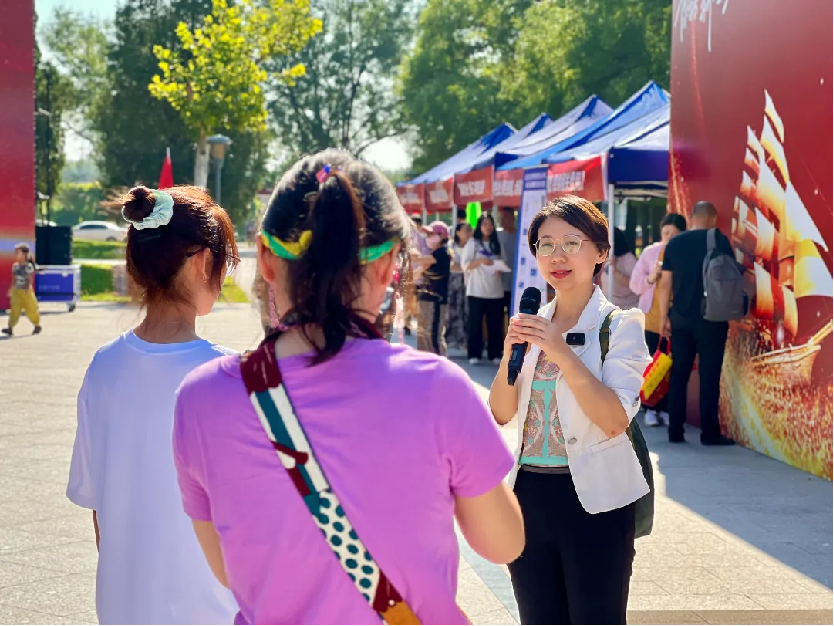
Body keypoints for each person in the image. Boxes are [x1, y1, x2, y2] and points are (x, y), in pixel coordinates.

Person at [172, 150, 524, 625]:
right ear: (389, 265)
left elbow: (228, 570)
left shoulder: (201, 399)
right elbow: (503, 544)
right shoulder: (439, 390)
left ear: (268, 261)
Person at [66, 186, 239, 625]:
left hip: (122, 607)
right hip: (210, 612)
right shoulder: (229, 376)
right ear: (202, 262)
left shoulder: (104, 366)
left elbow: (99, 507)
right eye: (226, 262)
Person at [489, 195, 651, 625]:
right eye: (545, 245)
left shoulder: (621, 325)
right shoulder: (531, 323)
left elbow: (614, 420)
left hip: (595, 500)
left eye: (571, 243)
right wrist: (510, 355)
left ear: (601, 252)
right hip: (529, 495)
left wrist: (559, 351)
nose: (557, 256)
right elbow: (501, 412)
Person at [658, 201, 736, 446]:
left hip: (680, 319)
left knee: (679, 375)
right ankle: (709, 433)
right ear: (713, 219)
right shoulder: (719, 241)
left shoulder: (674, 243)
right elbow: (730, 277)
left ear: (691, 218)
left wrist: (663, 318)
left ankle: (675, 431)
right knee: (709, 376)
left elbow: (665, 283)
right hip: (712, 319)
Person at [629, 213, 688, 427]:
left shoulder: (685, 253)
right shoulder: (650, 252)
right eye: (666, 233)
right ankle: (650, 408)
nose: (669, 238)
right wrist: (651, 277)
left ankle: (666, 408)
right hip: (651, 317)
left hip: (677, 317)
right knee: (652, 363)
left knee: (672, 366)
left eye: (675, 234)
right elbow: (635, 285)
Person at [461, 214, 505, 364]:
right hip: (476, 290)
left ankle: (495, 353)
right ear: (479, 226)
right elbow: (465, 265)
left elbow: (503, 262)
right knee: (475, 324)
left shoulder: (497, 244)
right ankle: (474, 354)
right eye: (485, 224)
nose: (488, 227)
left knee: (495, 324)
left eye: (490, 224)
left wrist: (500, 268)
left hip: (495, 291)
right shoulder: (473, 243)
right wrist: (479, 261)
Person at [415, 220, 452, 355]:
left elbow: (423, 261)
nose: (428, 237)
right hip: (426, 299)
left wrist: (412, 256)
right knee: (423, 334)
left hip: (436, 301)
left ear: (442, 236)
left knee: (433, 335)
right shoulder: (432, 253)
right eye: (428, 234)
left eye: (431, 234)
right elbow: (417, 272)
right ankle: (424, 361)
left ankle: (439, 362)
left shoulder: (442, 253)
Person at [3, 243, 41, 336]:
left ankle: (36, 325)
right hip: (16, 290)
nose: (15, 254)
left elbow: (30, 278)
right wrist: (11, 288)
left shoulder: (28, 266)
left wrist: (28, 288)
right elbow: (14, 278)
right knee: (14, 309)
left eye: (18, 253)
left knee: (31, 309)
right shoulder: (15, 266)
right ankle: (10, 327)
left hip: (26, 291)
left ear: (24, 255)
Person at [446, 222, 472, 351]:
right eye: (465, 230)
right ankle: (451, 338)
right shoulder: (451, 246)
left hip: (468, 282)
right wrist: (466, 266)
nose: (468, 233)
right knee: (452, 310)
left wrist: (464, 266)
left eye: (469, 230)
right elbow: (450, 265)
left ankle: (463, 339)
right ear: (457, 232)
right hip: (453, 281)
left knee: (465, 311)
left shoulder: (473, 246)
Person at [606, 228, 639, 309]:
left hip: (627, 306)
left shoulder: (629, 259)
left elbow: (635, 285)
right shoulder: (602, 257)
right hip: (607, 305)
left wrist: (615, 271)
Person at [497, 207, 518, 316]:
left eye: (505, 217)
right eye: (501, 218)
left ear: (512, 218)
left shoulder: (520, 236)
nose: (502, 221)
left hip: (516, 285)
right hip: (498, 285)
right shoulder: (496, 235)